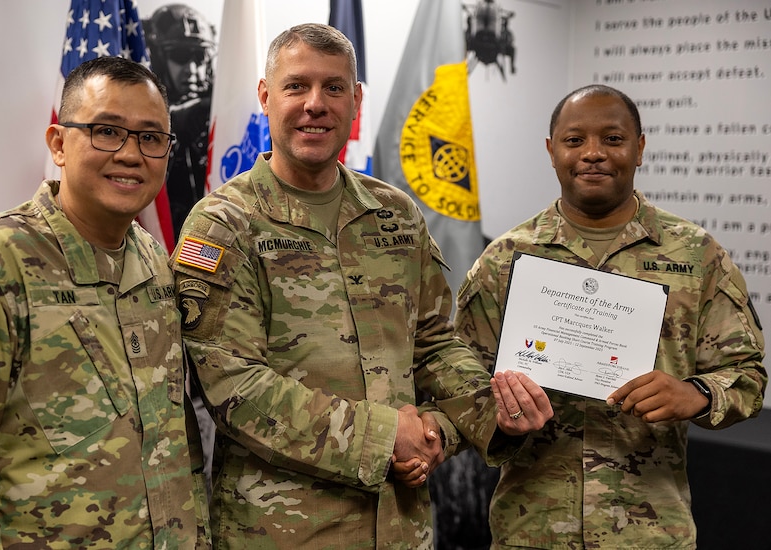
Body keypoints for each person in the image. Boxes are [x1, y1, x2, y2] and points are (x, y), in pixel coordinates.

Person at [171, 23, 504, 549]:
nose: (315, 104)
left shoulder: (394, 214)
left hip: (400, 524)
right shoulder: (224, 224)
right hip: (284, 531)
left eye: (333, 88)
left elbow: (436, 343)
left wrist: (447, 427)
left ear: (356, 100)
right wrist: (384, 437)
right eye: (295, 86)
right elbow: (234, 387)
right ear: (264, 96)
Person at [455, 84, 767, 548]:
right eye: (575, 139)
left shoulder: (697, 256)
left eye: (614, 139)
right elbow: (457, 382)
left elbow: (747, 376)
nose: (594, 154)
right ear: (551, 150)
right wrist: (498, 415)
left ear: (640, 149)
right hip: (533, 529)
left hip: (650, 530)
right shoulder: (505, 260)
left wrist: (696, 394)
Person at [0, 57, 209, 548]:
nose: (131, 154)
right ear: (58, 144)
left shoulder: (153, 260)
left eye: (151, 138)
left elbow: (177, 439)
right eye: (107, 131)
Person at [144, 3, 217, 238]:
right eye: (180, 56)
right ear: (158, 57)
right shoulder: (136, 107)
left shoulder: (220, 108)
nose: (192, 69)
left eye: (200, 56)